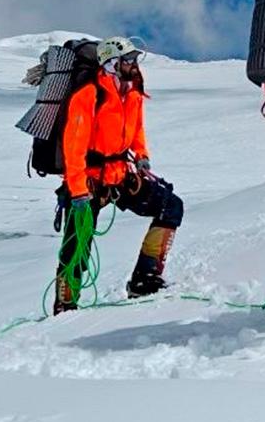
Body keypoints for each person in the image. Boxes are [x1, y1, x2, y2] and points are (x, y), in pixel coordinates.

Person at [53, 36, 184, 314]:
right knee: (77, 246)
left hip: (121, 174)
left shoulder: (133, 92)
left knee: (171, 206)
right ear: (112, 63)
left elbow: (136, 129)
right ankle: (65, 305)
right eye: (129, 60)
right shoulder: (88, 95)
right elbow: (73, 146)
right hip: (89, 179)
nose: (135, 65)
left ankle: (145, 281)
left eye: (135, 60)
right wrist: (77, 189)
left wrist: (142, 155)